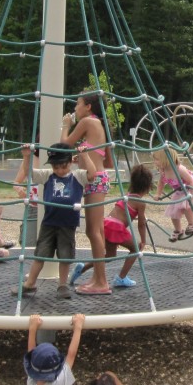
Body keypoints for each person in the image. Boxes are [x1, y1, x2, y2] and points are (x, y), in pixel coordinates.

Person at [24, 313, 149, 385]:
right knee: (109, 377)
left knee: (98, 382)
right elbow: (71, 355)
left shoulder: (31, 384)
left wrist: (32, 328)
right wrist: (78, 326)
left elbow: (31, 354)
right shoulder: (58, 384)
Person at [12, 142, 97, 298]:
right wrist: (26, 157)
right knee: (40, 254)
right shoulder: (48, 175)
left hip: (68, 224)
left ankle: (62, 285)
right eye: (55, 167)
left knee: (65, 256)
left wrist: (85, 155)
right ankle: (30, 283)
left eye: (63, 167)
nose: (59, 170)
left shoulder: (77, 176)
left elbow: (92, 174)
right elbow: (29, 173)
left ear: (71, 161)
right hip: (49, 223)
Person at [59, 91, 114, 294]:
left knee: (93, 231)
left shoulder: (87, 122)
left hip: (94, 181)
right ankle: (98, 278)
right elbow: (106, 160)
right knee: (97, 231)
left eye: (77, 103)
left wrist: (65, 125)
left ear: (88, 106)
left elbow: (64, 144)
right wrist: (81, 158)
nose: (75, 108)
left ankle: (102, 282)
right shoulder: (99, 124)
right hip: (99, 178)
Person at [71, 164, 152, 289]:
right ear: (147, 186)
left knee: (109, 256)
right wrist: (144, 240)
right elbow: (141, 224)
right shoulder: (141, 202)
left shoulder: (127, 195)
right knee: (136, 249)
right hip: (116, 227)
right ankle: (121, 278)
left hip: (107, 223)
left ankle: (82, 268)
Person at [153, 148, 193, 241]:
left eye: (157, 159)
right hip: (179, 190)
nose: (154, 162)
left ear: (166, 159)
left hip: (190, 188)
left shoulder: (179, 169)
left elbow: (191, 182)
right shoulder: (162, 170)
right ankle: (178, 230)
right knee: (173, 211)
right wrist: (158, 194)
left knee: (186, 205)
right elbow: (161, 183)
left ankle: (191, 225)